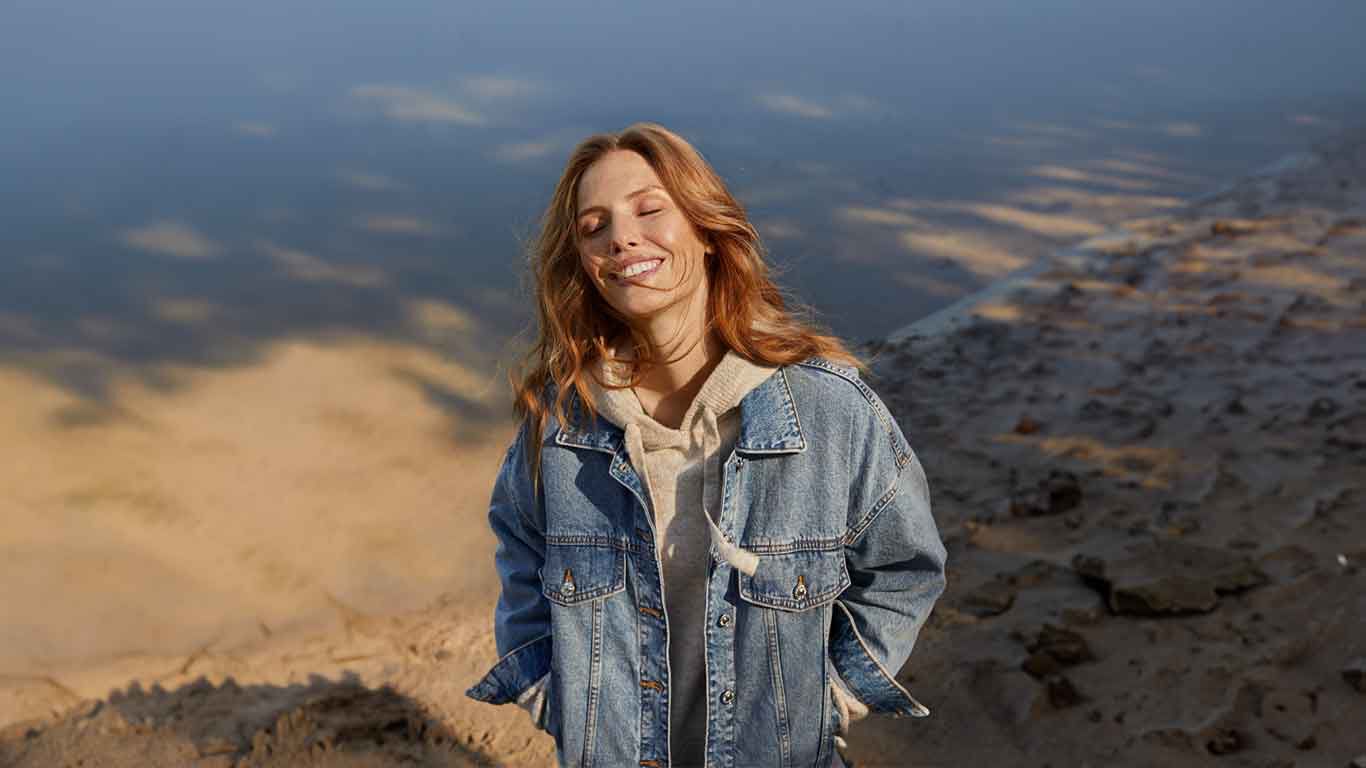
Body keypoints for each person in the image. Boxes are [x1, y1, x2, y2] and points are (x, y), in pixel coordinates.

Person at [465, 122, 947, 768]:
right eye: (593, 227)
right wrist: (556, 700)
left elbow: (906, 567)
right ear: (584, 264)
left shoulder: (829, 411)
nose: (621, 237)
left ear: (707, 231)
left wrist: (832, 695)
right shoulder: (560, 428)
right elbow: (520, 553)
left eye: (649, 209)